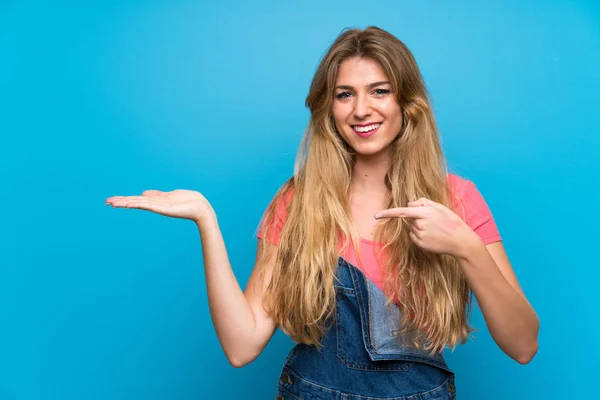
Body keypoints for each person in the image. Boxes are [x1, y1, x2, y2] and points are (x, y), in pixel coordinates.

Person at [106, 26, 539, 400]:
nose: (361, 109)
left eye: (380, 91)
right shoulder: (298, 202)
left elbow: (523, 345)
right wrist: (206, 220)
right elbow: (242, 347)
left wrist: (466, 247)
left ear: (408, 103)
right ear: (327, 109)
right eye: (344, 95)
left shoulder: (457, 201)